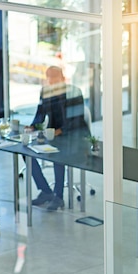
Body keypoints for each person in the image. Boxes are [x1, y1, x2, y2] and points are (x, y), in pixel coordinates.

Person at [27, 66, 87, 211]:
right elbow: (40, 113)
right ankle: (46, 191)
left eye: (55, 79)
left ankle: (58, 197)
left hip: (74, 135)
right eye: (49, 79)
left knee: (57, 155)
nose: (52, 83)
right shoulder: (45, 92)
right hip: (53, 134)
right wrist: (33, 127)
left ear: (62, 78)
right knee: (26, 152)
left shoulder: (74, 92)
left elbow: (76, 119)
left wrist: (60, 131)